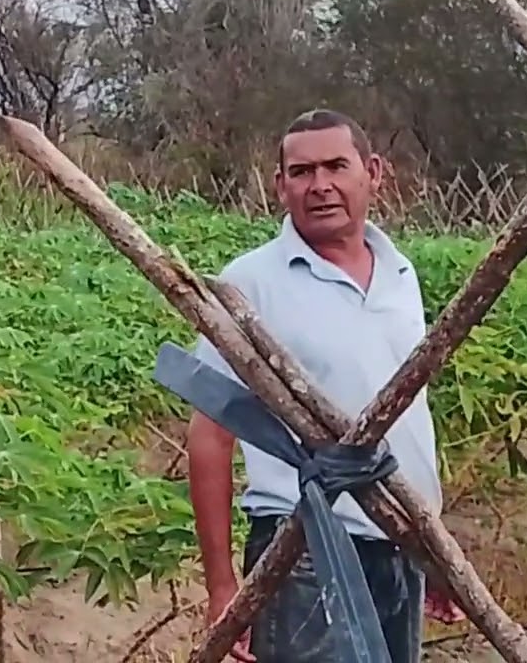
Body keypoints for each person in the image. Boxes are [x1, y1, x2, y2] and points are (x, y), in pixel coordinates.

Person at [185, 109, 456, 663]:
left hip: (400, 542)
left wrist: (435, 551)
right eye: (302, 172)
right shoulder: (250, 282)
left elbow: (411, 423)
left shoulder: (402, 274)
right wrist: (221, 585)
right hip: (303, 552)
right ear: (280, 186)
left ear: (374, 173)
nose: (321, 185)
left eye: (336, 166)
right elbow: (210, 435)